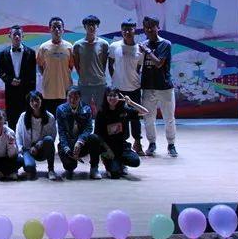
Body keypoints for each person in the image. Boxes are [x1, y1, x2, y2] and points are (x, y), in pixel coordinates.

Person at [139, 16, 177, 157]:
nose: (149, 30)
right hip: (148, 87)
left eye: (152, 27)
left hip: (164, 87)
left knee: (169, 118)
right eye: (146, 27)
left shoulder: (165, 44)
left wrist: (147, 51)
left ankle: (171, 144)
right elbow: (138, 65)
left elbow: (159, 63)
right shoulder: (142, 45)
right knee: (148, 118)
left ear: (158, 28)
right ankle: (152, 143)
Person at [108, 19, 146, 155]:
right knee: (120, 118)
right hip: (119, 89)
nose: (127, 32)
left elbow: (138, 68)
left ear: (135, 30)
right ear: (121, 31)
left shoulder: (140, 49)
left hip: (134, 88)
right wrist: (115, 79)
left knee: (135, 118)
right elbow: (110, 64)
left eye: (130, 29)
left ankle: (138, 143)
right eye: (124, 29)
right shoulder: (114, 46)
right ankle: (121, 143)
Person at [95, 87, 149, 178]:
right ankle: (108, 162)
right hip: (108, 148)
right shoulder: (101, 112)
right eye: (110, 96)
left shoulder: (124, 110)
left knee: (135, 161)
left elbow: (145, 112)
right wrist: (107, 150)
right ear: (106, 97)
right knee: (115, 174)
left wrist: (131, 103)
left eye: (115, 95)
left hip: (122, 146)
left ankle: (121, 163)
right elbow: (97, 135)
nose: (112, 98)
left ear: (119, 97)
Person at [56, 86, 102, 180]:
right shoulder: (60, 109)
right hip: (68, 143)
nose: (72, 100)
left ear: (80, 98)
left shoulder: (86, 109)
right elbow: (61, 131)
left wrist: (80, 141)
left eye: (76, 97)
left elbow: (89, 128)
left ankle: (94, 168)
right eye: (70, 97)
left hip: (81, 143)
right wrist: (67, 148)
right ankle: (70, 164)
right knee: (69, 166)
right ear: (66, 97)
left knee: (94, 138)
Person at [0, 26, 36, 129]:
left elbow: (32, 74)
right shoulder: (3, 53)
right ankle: (12, 137)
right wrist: (10, 80)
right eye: (14, 34)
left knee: (27, 116)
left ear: (23, 36)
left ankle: (26, 137)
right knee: (12, 116)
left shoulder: (31, 53)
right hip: (10, 89)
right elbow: (0, 71)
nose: (17, 36)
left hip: (26, 90)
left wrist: (23, 83)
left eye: (19, 34)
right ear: (10, 36)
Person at [15, 90, 57, 181]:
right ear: (29, 103)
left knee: (49, 139)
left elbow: (53, 136)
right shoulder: (23, 116)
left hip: (42, 149)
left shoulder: (50, 117)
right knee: (29, 168)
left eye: (37, 100)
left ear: (41, 100)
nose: (35, 103)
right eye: (32, 101)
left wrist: (39, 145)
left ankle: (51, 170)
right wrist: (21, 149)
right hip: (28, 149)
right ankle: (30, 167)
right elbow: (18, 135)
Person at [37, 17, 74, 117]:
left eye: (59, 27)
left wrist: (62, 75)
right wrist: (48, 75)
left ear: (63, 29)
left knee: (65, 118)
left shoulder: (69, 47)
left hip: (65, 89)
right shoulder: (43, 47)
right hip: (49, 91)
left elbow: (70, 67)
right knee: (50, 118)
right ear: (50, 29)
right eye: (54, 27)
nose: (57, 29)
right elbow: (40, 65)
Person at [72, 15, 109, 114]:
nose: (91, 27)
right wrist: (83, 76)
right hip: (84, 84)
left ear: (97, 26)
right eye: (89, 25)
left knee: (101, 111)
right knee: (84, 111)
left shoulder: (104, 44)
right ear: (85, 27)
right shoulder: (78, 45)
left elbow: (103, 63)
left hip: (100, 83)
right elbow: (77, 64)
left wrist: (98, 74)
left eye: (94, 25)